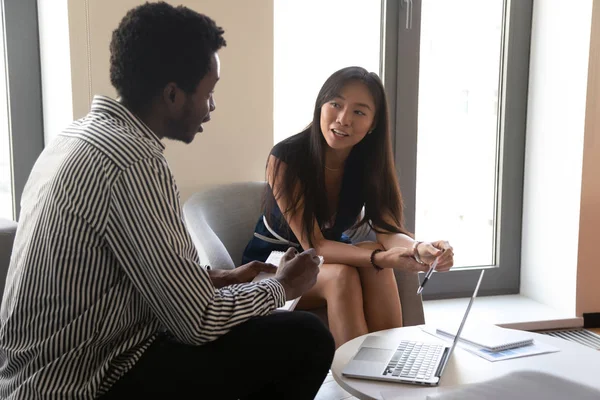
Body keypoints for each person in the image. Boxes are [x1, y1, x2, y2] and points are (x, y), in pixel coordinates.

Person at [0, 3, 334, 399]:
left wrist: (218, 278)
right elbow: (196, 321)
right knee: (306, 338)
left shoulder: (77, 136)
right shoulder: (132, 162)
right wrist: (282, 285)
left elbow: (124, 272)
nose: (211, 108)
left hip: (39, 374)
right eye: (208, 94)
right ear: (173, 94)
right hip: (84, 381)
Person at [243, 66, 455, 348]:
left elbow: (387, 229)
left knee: (372, 253)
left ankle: (390, 369)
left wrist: (420, 248)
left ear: (373, 124)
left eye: (359, 112)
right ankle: (354, 380)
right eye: (335, 104)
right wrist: (382, 258)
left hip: (328, 255)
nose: (343, 119)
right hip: (278, 264)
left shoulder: (368, 163)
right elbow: (314, 246)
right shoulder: (286, 158)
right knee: (346, 273)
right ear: (321, 105)